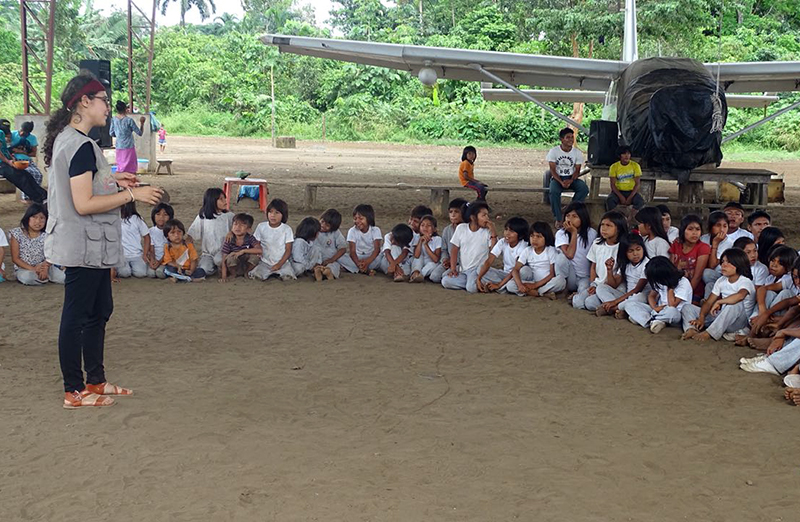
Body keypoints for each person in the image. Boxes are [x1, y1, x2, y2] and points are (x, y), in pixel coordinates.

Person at [42, 74, 162, 408]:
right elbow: (83, 203)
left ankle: (95, 381)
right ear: (84, 102)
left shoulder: (76, 140)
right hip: (81, 244)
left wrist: (111, 178)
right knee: (77, 316)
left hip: (92, 245)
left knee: (98, 310)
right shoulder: (79, 144)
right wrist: (130, 193)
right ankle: (73, 390)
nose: (108, 107)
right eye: (103, 99)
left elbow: (87, 185)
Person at [682, 248, 754, 341]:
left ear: (738, 264)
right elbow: (708, 302)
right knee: (687, 307)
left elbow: (740, 296)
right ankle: (691, 329)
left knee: (734, 305)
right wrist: (701, 318)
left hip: (738, 323)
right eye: (723, 261)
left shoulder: (745, 281)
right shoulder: (721, 280)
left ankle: (710, 333)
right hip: (721, 317)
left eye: (729, 262)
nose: (723, 265)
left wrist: (719, 302)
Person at [573, 210, 627, 310]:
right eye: (602, 224)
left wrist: (609, 270)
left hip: (613, 289)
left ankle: (615, 307)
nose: (604, 228)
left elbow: (614, 284)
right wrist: (593, 284)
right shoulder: (597, 243)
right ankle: (606, 306)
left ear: (618, 229)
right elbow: (593, 267)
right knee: (578, 303)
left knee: (590, 303)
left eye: (609, 225)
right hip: (598, 283)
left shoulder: (623, 248)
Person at [626, 256, 693, 333]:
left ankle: (647, 319)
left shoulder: (683, 282)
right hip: (658, 310)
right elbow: (651, 296)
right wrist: (655, 308)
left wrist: (670, 287)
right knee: (630, 304)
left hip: (675, 314)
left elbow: (672, 305)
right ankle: (654, 321)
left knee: (671, 311)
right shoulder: (660, 281)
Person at [442, 200, 497, 293]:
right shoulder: (461, 228)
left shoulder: (487, 232)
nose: (487, 218)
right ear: (473, 218)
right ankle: (477, 283)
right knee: (445, 281)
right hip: (464, 270)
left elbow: (494, 250)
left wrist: (493, 232)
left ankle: (491, 281)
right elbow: (454, 250)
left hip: (479, 270)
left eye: (487, 215)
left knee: (471, 288)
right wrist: (453, 268)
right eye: (484, 215)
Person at [9, 203, 66, 285]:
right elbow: (15, 259)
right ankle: (43, 278)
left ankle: (45, 276)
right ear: (27, 218)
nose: (38, 221)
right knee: (27, 278)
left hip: (46, 266)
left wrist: (45, 268)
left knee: (63, 278)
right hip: (25, 268)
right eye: (34, 217)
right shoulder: (17, 233)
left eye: (42, 218)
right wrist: (34, 269)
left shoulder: (47, 234)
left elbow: (52, 253)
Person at [596, 233, 649, 318]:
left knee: (638, 297)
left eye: (638, 249)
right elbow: (613, 285)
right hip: (626, 295)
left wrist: (615, 302)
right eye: (631, 251)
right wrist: (609, 270)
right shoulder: (626, 264)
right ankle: (617, 309)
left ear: (643, 249)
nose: (635, 254)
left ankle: (613, 308)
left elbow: (638, 289)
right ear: (625, 253)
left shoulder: (647, 264)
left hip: (640, 296)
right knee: (601, 287)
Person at [506, 221, 565, 298]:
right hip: (531, 281)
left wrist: (535, 285)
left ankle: (538, 292)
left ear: (546, 237)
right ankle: (542, 293)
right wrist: (520, 285)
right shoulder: (527, 250)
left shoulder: (550, 250)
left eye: (539, 236)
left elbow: (551, 274)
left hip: (546, 282)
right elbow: (515, 269)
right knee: (510, 285)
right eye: (532, 236)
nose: (534, 239)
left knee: (561, 281)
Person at [546, 128, 589, 227]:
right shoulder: (554, 151)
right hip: (557, 177)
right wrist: (561, 181)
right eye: (567, 137)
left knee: (584, 189)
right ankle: (558, 218)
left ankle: (570, 210)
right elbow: (552, 170)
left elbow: (577, 170)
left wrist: (571, 180)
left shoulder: (577, 153)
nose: (571, 140)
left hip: (571, 176)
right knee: (553, 191)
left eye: (572, 137)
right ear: (561, 139)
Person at [188, 188, 235, 276]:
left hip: (224, 250)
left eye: (225, 198)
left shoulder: (229, 216)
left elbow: (238, 230)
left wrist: (232, 232)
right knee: (204, 270)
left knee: (219, 260)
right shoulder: (203, 216)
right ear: (212, 201)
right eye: (221, 199)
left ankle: (222, 266)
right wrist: (188, 240)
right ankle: (215, 267)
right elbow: (192, 232)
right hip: (208, 253)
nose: (225, 201)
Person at [476, 217, 529, 293]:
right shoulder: (502, 242)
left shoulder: (523, 246)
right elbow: (489, 261)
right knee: (480, 269)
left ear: (520, 235)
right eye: (506, 229)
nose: (507, 233)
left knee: (525, 271)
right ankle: (504, 287)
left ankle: (501, 287)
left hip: (518, 275)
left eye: (511, 231)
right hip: (505, 274)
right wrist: (478, 278)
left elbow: (515, 270)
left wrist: (499, 285)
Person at [0, 118, 46, 203]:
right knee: (21, 179)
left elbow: (4, 150)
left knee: (27, 175)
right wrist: (8, 161)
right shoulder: (1, 133)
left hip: (8, 161)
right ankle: (38, 198)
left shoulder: (2, 134)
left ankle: (43, 195)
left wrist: (11, 158)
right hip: (3, 164)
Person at [555, 201, 596, 294]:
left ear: (583, 218)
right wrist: (573, 233)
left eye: (574, 216)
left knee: (584, 293)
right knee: (561, 258)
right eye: (568, 216)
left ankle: (575, 295)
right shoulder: (561, 233)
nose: (570, 219)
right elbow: (570, 254)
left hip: (585, 276)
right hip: (569, 276)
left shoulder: (592, 233)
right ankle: (563, 287)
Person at [669, 214, 710, 304]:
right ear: (683, 230)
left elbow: (697, 276)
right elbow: (671, 269)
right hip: (675, 286)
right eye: (690, 229)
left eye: (698, 229)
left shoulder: (703, 248)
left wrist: (685, 293)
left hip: (694, 290)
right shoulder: (676, 244)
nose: (694, 233)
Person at [252, 199, 295, 281]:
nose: (272, 215)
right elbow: (256, 243)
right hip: (265, 261)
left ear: (283, 214)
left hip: (282, 262)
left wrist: (279, 264)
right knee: (256, 275)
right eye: (270, 212)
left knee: (288, 276)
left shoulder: (287, 229)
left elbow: (288, 250)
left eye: (277, 213)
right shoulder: (261, 227)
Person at [429, 198, 466, 284]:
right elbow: (444, 249)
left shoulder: (466, 229)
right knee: (434, 276)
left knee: (444, 276)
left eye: (456, 212)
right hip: (449, 261)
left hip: (461, 263)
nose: (453, 215)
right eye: (451, 212)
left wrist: (454, 262)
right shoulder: (447, 230)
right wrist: (445, 259)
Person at [220, 213, 261, 282]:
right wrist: (223, 277)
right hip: (234, 264)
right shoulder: (229, 239)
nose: (238, 227)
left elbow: (259, 250)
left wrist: (243, 251)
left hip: (245, 264)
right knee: (230, 258)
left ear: (248, 229)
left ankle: (247, 273)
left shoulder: (250, 238)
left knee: (255, 257)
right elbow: (224, 259)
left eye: (242, 225)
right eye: (235, 224)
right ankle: (233, 274)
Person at [701, 211, 733, 297]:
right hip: (708, 278)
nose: (722, 229)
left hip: (721, 275)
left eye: (725, 226)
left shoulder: (728, 243)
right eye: (718, 225)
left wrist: (715, 244)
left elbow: (712, 265)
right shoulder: (704, 238)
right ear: (711, 227)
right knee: (709, 285)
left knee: (706, 273)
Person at [344, 204, 382, 275]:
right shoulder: (352, 231)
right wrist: (358, 263)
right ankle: (365, 270)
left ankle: (360, 269)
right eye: (355, 219)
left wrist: (367, 262)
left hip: (372, 257)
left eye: (361, 219)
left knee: (382, 257)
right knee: (343, 257)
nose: (357, 221)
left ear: (369, 218)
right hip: (358, 257)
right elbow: (352, 252)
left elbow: (377, 250)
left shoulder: (375, 230)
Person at [110, 100, 145, 174]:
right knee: (131, 169)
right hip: (129, 146)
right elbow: (140, 133)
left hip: (119, 146)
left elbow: (111, 133)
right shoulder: (129, 120)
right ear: (125, 109)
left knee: (120, 168)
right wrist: (142, 123)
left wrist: (119, 135)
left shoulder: (113, 120)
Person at [116, 201, 150, 279]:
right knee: (125, 273)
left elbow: (146, 236)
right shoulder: (115, 218)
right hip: (122, 255)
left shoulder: (137, 219)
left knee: (141, 273)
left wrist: (145, 254)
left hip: (136, 254)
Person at [606, 145, 645, 211]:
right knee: (610, 201)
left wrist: (630, 197)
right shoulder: (614, 166)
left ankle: (631, 218)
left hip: (631, 191)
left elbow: (637, 184)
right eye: (624, 154)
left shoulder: (635, 166)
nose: (627, 156)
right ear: (619, 155)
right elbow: (613, 184)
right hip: (618, 191)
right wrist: (621, 197)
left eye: (628, 154)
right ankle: (614, 217)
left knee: (640, 202)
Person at [314, 208, 348, 279]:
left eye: (327, 225)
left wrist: (332, 259)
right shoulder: (313, 229)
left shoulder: (336, 233)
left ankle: (328, 272)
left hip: (330, 260)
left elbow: (343, 248)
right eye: (322, 221)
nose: (323, 225)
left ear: (333, 228)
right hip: (315, 259)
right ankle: (318, 273)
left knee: (334, 266)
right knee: (315, 266)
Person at [409, 215, 442, 283]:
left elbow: (435, 259)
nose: (425, 227)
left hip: (431, 262)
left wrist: (426, 244)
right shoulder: (418, 237)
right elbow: (416, 255)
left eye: (428, 225)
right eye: (422, 225)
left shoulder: (438, 239)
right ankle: (415, 273)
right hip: (420, 262)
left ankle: (420, 275)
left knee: (432, 265)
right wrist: (420, 242)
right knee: (418, 258)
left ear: (435, 229)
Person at [146, 202, 173, 279]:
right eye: (158, 214)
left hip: (167, 260)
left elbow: (170, 250)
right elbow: (151, 249)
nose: (161, 217)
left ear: (170, 217)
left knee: (160, 273)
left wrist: (160, 262)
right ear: (153, 216)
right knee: (150, 273)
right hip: (156, 259)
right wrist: (153, 260)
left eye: (165, 215)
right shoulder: (150, 231)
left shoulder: (171, 231)